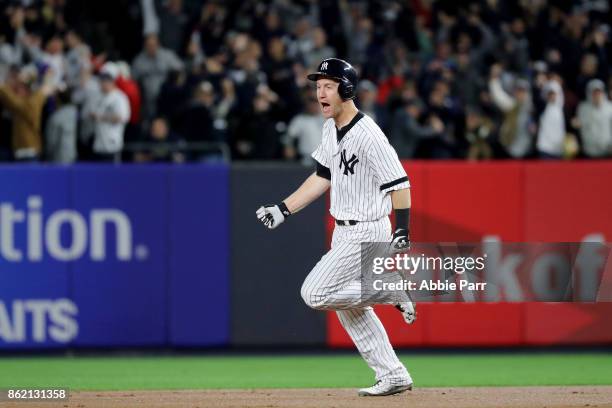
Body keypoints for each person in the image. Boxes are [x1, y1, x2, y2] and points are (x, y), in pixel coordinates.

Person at [256, 58, 415, 397]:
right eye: (318, 87)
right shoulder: (330, 128)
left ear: (346, 89)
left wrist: (403, 229)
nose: (320, 93)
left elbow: (400, 183)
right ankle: (393, 374)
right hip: (345, 230)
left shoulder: (369, 134)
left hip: (368, 229)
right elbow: (322, 177)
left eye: (328, 86)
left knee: (314, 293)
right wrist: (283, 209)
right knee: (351, 308)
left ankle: (390, 289)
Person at [89, 62, 130, 162]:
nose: (103, 83)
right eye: (102, 80)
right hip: (98, 142)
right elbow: (91, 113)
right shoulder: (97, 96)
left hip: (112, 143)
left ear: (112, 81)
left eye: (106, 80)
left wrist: (102, 117)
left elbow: (122, 117)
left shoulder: (120, 97)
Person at [576, 79, 612, 158]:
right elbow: (580, 125)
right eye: (594, 93)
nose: (597, 95)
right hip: (589, 151)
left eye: (599, 92)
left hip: (607, 151)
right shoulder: (583, 108)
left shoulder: (610, 107)